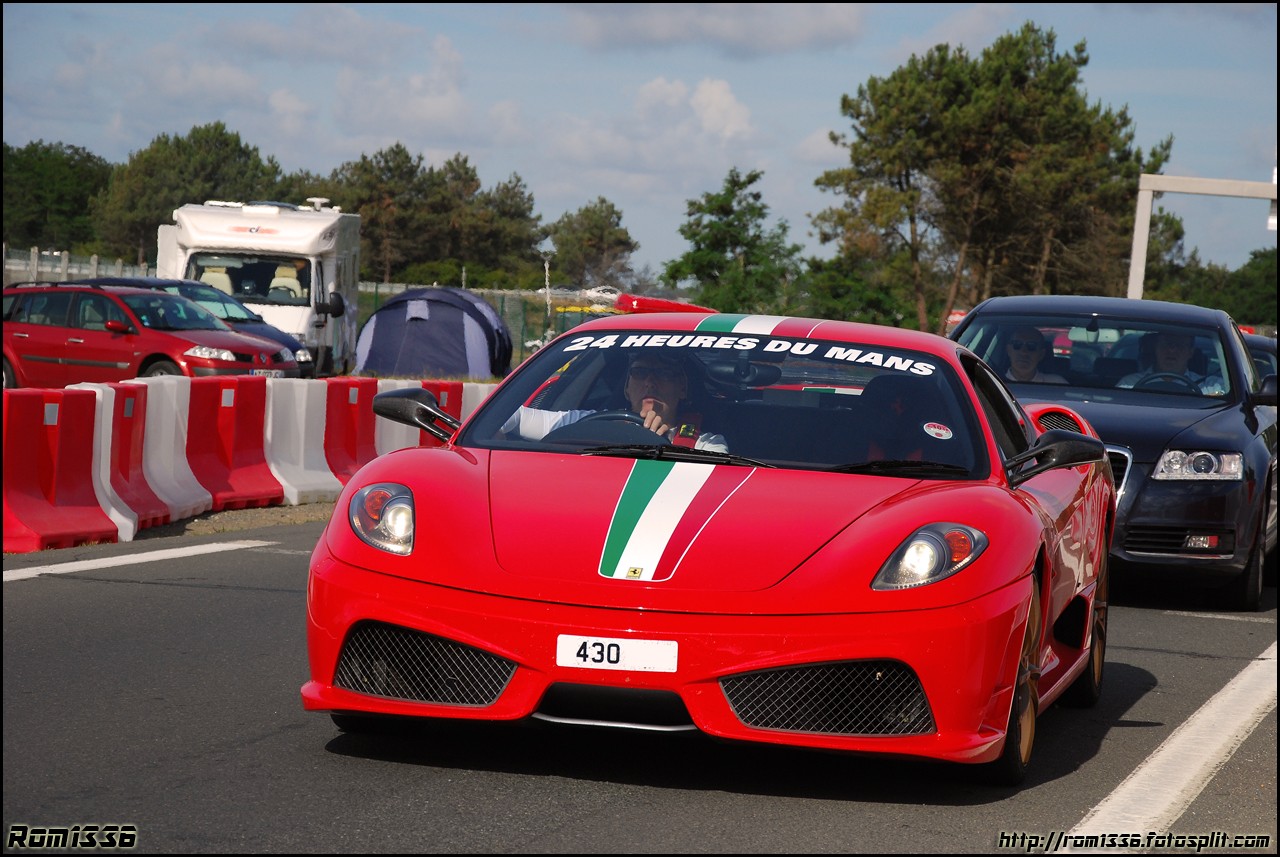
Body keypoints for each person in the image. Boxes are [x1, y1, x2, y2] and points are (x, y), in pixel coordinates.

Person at [500, 352, 729, 451]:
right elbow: (509, 417)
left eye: (664, 374)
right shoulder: (586, 422)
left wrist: (659, 444)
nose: (650, 382)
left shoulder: (704, 445)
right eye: (640, 373)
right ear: (627, 389)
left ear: (683, 389)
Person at [1117, 331, 1225, 395]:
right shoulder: (1129, 385)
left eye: (1180, 345)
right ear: (1155, 348)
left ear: (1190, 352)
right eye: (1166, 344)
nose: (1172, 350)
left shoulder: (1210, 386)